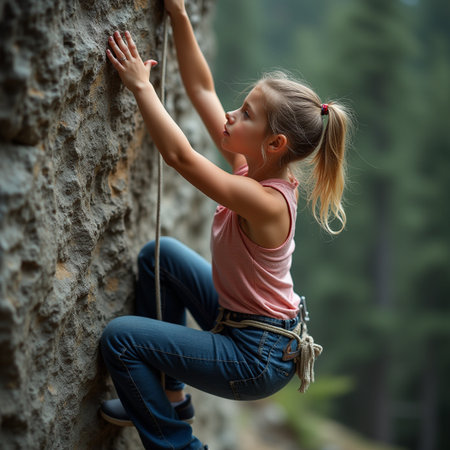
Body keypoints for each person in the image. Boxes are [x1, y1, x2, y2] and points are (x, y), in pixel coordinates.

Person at [100, 1, 351, 448]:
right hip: (244, 321)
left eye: (247, 114)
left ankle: (179, 444)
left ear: (274, 143)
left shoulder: (267, 201)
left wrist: (142, 87)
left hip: (256, 357)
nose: (232, 114)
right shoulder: (251, 165)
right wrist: (178, 15)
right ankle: (173, 397)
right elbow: (201, 90)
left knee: (120, 340)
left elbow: (180, 158)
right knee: (159, 258)